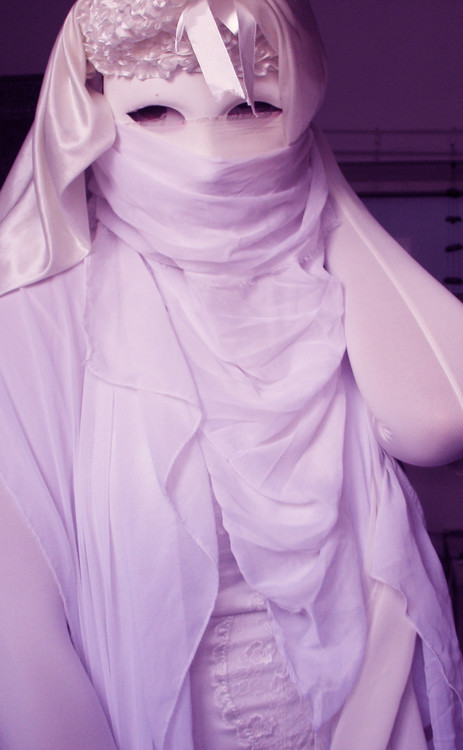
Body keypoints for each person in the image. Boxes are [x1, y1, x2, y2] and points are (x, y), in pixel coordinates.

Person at [0, 0, 462, 748]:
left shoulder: (328, 280)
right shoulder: (35, 312)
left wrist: (323, 193)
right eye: (154, 112)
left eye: (251, 109)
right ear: (87, 118)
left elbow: (439, 417)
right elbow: (23, 642)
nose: (210, 158)